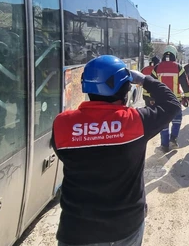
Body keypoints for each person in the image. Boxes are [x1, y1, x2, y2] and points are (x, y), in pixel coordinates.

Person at [51, 55, 181, 246]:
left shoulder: (62, 124)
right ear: (126, 90)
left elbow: (64, 153)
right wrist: (145, 80)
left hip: (77, 230)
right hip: (125, 227)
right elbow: (171, 104)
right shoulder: (136, 121)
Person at [152, 45, 189, 152]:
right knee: (177, 120)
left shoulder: (157, 68)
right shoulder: (178, 67)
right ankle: (173, 139)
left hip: (161, 101)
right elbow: (185, 84)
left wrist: (149, 97)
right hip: (175, 100)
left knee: (164, 122)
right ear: (174, 55)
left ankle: (164, 145)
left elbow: (151, 83)